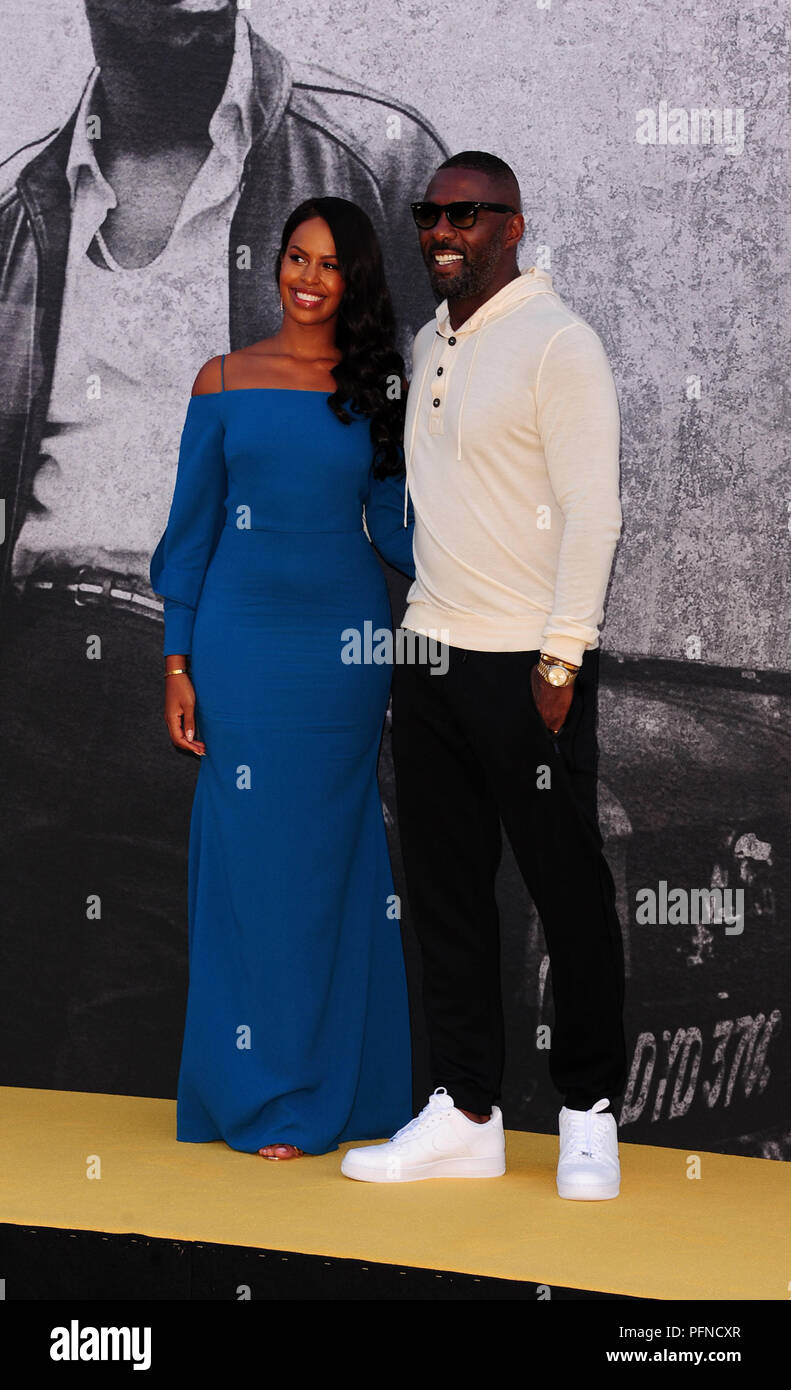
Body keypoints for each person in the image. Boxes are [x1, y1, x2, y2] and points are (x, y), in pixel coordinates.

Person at [0, 0, 444, 1098]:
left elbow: (474, 455)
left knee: (131, 1083)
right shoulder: (24, 202)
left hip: (226, 679)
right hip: (30, 683)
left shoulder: (372, 161)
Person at [341, 151, 628, 1198]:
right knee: (448, 896)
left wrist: (560, 656)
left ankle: (589, 1109)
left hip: (528, 666)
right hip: (428, 653)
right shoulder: (427, 341)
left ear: (512, 223)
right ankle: (464, 1110)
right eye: (430, 213)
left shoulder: (560, 343)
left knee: (564, 892)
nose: (442, 229)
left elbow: (593, 511)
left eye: (466, 212)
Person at [149, 197, 416, 1159]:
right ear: (277, 268)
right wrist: (178, 661)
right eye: (296, 259)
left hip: (343, 653)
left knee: (326, 863)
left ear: (355, 282)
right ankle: (257, 1092)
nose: (307, 279)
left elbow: (393, 529)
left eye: (330, 265)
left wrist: (494, 553)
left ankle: (336, 1091)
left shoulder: (373, 387)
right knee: (251, 866)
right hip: (240, 646)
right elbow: (190, 536)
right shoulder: (222, 381)